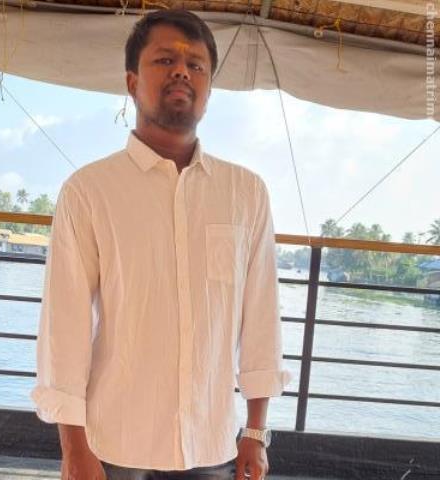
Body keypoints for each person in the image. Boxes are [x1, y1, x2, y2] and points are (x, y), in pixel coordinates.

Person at [31, 8, 291, 480]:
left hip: (211, 444)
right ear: (132, 82)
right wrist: (74, 448)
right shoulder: (90, 191)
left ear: (209, 90)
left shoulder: (245, 194)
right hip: (114, 443)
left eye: (196, 65)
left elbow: (261, 319)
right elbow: (63, 329)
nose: (182, 72)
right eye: (165, 60)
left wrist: (255, 431)